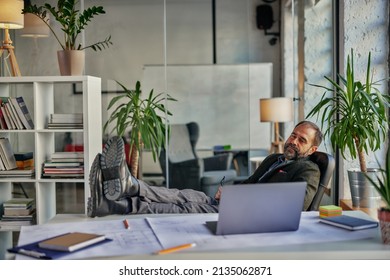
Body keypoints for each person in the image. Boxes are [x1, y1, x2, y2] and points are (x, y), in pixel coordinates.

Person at [87, 120, 322, 217]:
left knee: (186, 206)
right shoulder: (274, 159)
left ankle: (116, 202)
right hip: (235, 203)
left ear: (311, 150)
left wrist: (239, 199)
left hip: (247, 216)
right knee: (184, 194)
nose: (293, 141)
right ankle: (124, 190)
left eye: (302, 140)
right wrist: (230, 191)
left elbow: (297, 205)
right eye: (293, 135)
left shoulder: (308, 170)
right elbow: (250, 183)